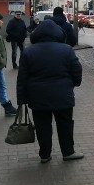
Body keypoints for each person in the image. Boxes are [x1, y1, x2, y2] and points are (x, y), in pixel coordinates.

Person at [17, 19, 83, 163]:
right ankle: (68, 152)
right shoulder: (66, 49)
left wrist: (21, 100)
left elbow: (22, 78)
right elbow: (76, 70)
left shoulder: (28, 51)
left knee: (42, 126)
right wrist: (74, 84)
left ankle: (45, 154)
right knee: (65, 124)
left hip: (37, 96)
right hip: (63, 95)